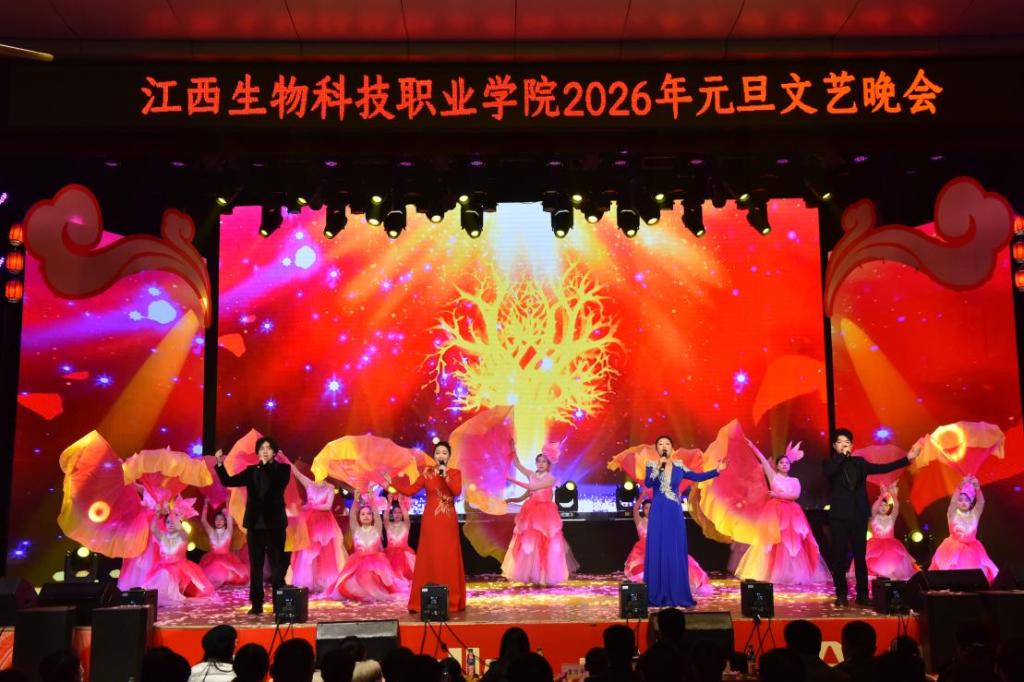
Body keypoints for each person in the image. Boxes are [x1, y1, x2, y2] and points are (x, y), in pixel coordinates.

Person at [823, 429, 918, 606]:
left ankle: (863, 594)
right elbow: (829, 472)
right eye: (840, 442)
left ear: (852, 445)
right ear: (835, 445)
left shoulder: (860, 463)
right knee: (839, 557)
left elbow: (883, 467)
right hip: (839, 517)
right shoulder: (830, 463)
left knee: (860, 557)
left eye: (847, 442)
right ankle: (841, 594)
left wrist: (907, 459)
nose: (844, 445)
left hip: (858, 515)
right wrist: (841, 456)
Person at [214, 436, 292, 615]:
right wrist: (219, 464)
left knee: (277, 565)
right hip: (255, 525)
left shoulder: (283, 470)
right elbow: (228, 481)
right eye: (262, 448)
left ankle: (279, 603)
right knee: (256, 566)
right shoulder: (250, 472)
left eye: (268, 448)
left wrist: (265, 466)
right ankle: (257, 604)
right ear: (257, 452)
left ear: (274, 452)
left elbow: (276, 484)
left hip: (275, 525)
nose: (265, 451)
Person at [386, 441, 466, 614]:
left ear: (449, 456)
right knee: (430, 556)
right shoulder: (427, 472)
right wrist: (392, 482)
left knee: (448, 556)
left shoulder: (455, 473)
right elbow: (410, 491)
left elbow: (456, 491)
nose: (441, 455)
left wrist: (445, 475)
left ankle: (451, 600)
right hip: (430, 521)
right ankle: (422, 600)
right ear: (434, 455)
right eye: (438, 452)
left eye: (444, 453)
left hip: (447, 521)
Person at [644, 435, 724, 607]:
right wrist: (659, 467)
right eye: (660, 444)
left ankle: (676, 591)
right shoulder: (651, 465)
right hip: (658, 510)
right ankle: (657, 592)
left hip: (674, 511)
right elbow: (649, 483)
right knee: (658, 546)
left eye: (667, 443)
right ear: (657, 449)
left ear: (672, 448)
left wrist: (716, 471)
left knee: (674, 547)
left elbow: (697, 477)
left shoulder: (679, 466)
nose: (663, 446)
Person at [737, 440, 829, 584]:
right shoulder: (773, 476)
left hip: (792, 514)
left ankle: (792, 573)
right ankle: (774, 572)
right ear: (777, 465)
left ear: (790, 465)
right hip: (775, 513)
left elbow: (795, 495)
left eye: (787, 463)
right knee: (773, 543)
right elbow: (762, 459)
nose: (784, 465)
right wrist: (752, 446)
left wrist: (777, 495)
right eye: (781, 463)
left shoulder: (795, 480)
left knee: (791, 544)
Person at [501, 444, 577, 585]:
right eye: (538, 461)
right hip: (531, 513)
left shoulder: (550, 479)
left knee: (544, 544)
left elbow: (532, 487)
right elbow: (518, 466)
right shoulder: (531, 475)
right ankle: (531, 574)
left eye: (544, 461)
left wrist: (510, 479)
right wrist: (512, 448)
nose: (541, 464)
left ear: (548, 464)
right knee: (530, 544)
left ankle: (543, 575)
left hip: (545, 515)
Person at [330, 496, 409, 601]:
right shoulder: (355, 529)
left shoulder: (377, 528)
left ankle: (374, 591)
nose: (366, 516)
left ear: (372, 516)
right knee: (349, 583)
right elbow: (352, 515)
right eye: (363, 514)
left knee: (374, 578)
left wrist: (371, 500)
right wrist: (356, 500)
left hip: (376, 563)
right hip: (357, 563)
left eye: (368, 514)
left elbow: (377, 515)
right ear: (359, 517)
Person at [289, 462, 347, 596]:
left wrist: (310, 506)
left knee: (325, 552)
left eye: (322, 469)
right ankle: (308, 582)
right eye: (316, 468)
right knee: (309, 552)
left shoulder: (330, 488)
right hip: (310, 522)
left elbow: (328, 506)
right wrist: (284, 459)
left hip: (324, 523)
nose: (318, 471)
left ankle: (323, 582)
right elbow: (296, 473)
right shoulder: (309, 484)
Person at [930, 476, 998, 583]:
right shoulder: (952, 513)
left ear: (971, 503)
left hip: (972, 548)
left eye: (966, 500)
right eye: (960, 500)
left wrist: (977, 489)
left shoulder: (974, 514)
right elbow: (953, 502)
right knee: (954, 573)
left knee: (975, 574)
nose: (963, 502)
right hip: (954, 547)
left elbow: (981, 502)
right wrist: (959, 487)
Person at [147, 510, 215, 604]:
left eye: (173, 522)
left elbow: (180, 528)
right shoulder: (162, 537)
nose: (171, 524)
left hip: (180, 568)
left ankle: (170, 594)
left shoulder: (183, 536)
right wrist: (157, 513)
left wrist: (172, 511)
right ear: (165, 524)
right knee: (162, 575)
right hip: (164, 568)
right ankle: (162, 596)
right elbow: (153, 528)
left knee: (168, 575)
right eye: (168, 522)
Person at [859, 483, 918, 580]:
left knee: (893, 561)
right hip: (876, 545)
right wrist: (882, 495)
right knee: (875, 562)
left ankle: (891, 576)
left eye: (885, 505)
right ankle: (882, 576)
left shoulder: (891, 518)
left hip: (891, 545)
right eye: (881, 505)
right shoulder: (874, 518)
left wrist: (894, 496)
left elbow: (896, 507)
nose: (883, 507)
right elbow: (873, 508)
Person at [199, 501, 249, 589]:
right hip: (212, 559)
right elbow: (203, 521)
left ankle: (226, 581)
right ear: (214, 521)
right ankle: (217, 582)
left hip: (226, 558)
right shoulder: (211, 532)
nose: (219, 521)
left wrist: (227, 501)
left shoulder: (228, 532)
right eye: (216, 519)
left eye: (221, 519)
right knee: (213, 568)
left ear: (225, 521)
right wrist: (206, 504)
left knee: (230, 572)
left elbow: (229, 517)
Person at [383, 494, 416, 581]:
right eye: (395, 512)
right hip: (389, 554)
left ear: (402, 514)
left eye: (400, 512)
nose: (397, 514)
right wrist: (389, 503)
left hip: (404, 555)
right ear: (392, 514)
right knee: (392, 578)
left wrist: (401, 503)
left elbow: (406, 517)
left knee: (403, 577)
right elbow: (385, 517)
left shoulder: (406, 524)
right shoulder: (388, 525)